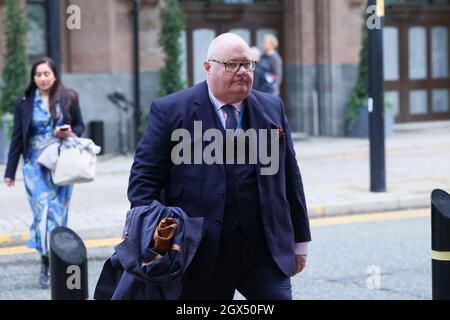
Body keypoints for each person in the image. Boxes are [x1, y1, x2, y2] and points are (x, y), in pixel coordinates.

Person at [128, 33, 311, 300]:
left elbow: (290, 177)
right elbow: (143, 183)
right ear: (208, 67)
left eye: (247, 64)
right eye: (232, 64)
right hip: (199, 256)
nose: (242, 72)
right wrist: (160, 240)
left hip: (263, 253)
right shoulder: (170, 111)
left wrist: (300, 242)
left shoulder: (272, 107)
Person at [3, 57, 85, 289]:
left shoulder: (68, 97)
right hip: (34, 167)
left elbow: (80, 125)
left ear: (55, 75)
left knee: (58, 217)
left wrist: (69, 132)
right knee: (42, 215)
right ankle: (45, 262)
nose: (42, 78)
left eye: (46, 74)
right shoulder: (25, 102)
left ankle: (59, 261)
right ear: (33, 78)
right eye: (38, 74)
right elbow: (18, 137)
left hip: (61, 165)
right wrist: (10, 171)